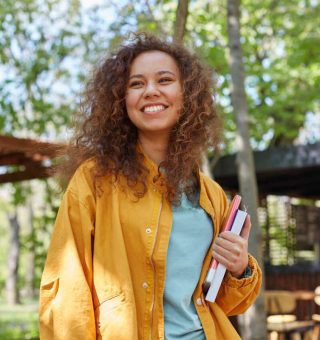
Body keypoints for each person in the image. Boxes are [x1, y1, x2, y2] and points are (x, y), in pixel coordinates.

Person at [39, 33, 262, 340]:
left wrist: (239, 268)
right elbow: (67, 296)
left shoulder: (211, 194)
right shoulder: (94, 181)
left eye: (165, 79)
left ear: (187, 95)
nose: (151, 91)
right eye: (136, 84)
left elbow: (224, 302)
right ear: (121, 100)